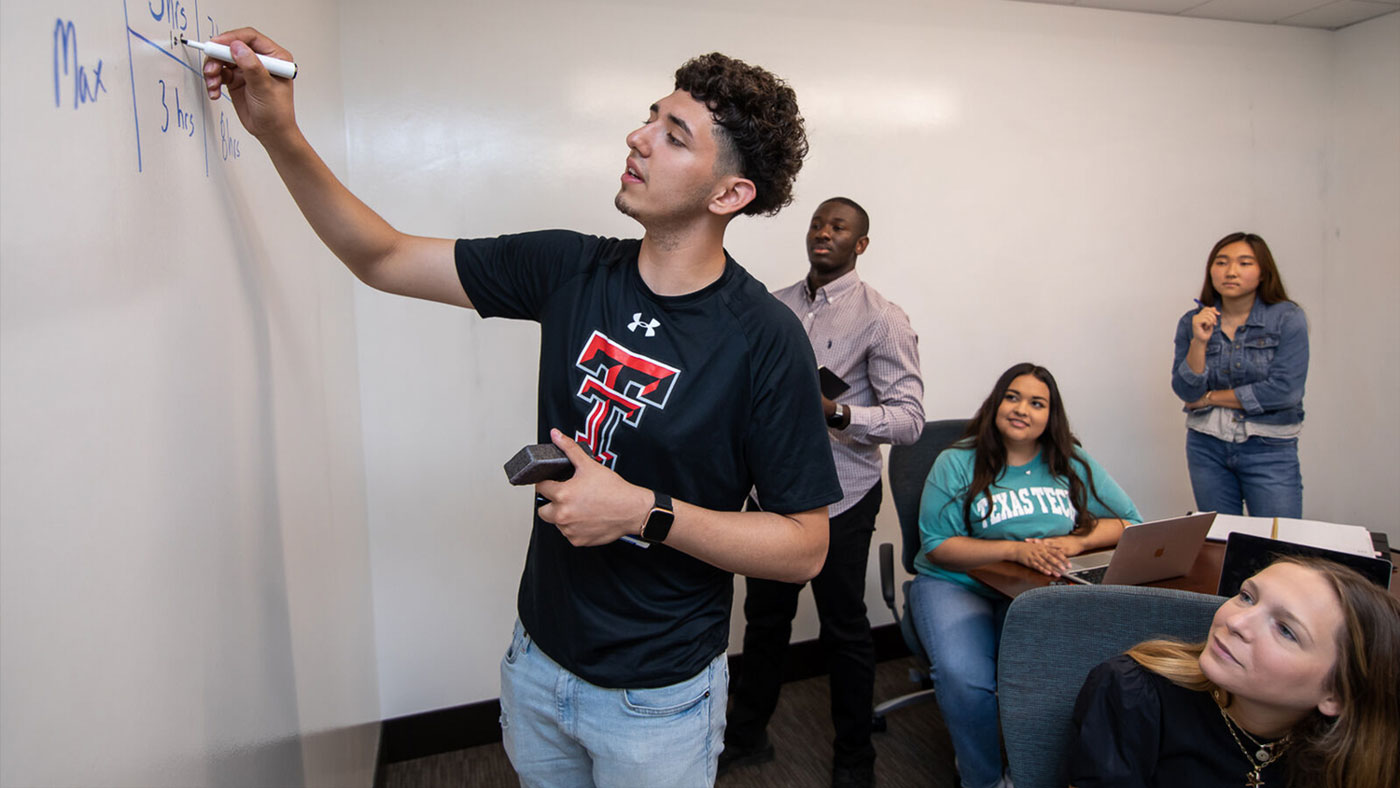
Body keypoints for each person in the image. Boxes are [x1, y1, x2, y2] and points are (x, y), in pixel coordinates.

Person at [201, 31, 842, 787]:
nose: (637, 138)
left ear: (728, 194)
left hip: (658, 702)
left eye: (674, 137)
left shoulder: (763, 338)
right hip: (537, 666)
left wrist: (643, 512)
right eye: (649, 118)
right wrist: (280, 134)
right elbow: (381, 256)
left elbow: (804, 545)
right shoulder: (571, 267)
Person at [723, 197, 924, 788]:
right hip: (771, 493)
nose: (823, 234)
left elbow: (910, 420)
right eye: (817, 224)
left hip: (842, 495)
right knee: (764, 620)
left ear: (860, 244)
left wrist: (837, 413)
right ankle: (747, 736)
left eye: (839, 228)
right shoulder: (772, 306)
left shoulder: (882, 318)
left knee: (844, 628)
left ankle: (854, 757)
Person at [911, 362, 1142, 788]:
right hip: (957, 583)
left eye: (1037, 403)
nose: (1022, 409)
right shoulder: (957, 461)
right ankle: (981, 778)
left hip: (1036, 591)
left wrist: (1075, 543)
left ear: (1050, 416)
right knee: (965, 677)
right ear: (996, 403)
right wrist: (1018, 549)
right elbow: (939, 545)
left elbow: (1129, 521)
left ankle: (1032, 773)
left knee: (1060, 674)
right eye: (1013, 397)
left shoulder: (1069, 460)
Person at [1068, 557, 1400, 788]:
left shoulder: (1349, 758)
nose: (1236, 622)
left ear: (1336, 694)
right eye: (1245, 597)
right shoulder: (1131, 692)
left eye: (1285, 630)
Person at [1171, 232, 1309, 518]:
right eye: (1221, 263)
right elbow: (1186, 391)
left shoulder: (1286, 317)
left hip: (1268, 446)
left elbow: (1285, 391)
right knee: (1219, 544)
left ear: (1263, 273)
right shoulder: (1192, 321)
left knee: (1279, 545)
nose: (1231, 271)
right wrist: (1199, 340)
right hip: (1206, 444)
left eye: (1245, 263)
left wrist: (1210, 398)